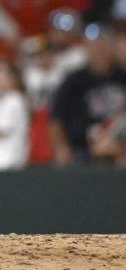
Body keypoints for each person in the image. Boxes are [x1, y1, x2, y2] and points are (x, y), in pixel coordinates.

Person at [50, 26, 126, 165]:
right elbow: (55, 117)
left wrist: (120, 147)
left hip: (120, 150)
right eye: (94, 47)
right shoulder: (74, 81)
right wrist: (61, 148)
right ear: (86, 50)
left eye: (103, 47)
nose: (99, 52)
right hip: (82, 152)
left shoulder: (123, 77)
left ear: (112, 49)